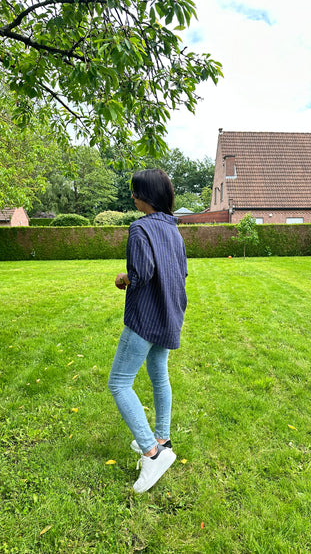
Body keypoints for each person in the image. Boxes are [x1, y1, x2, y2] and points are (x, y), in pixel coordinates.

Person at [108, 168, 187, 493]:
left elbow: (141, 274)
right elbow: (180, 272)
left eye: (135, 191)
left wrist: (123, 279)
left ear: (146, 196)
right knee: (158, 373)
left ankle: (152, 453)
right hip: (171, 312)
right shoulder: (174, 229)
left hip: (146, 317)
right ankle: (163, 439)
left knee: (119, 383)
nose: (132, 197)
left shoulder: (139, 229)